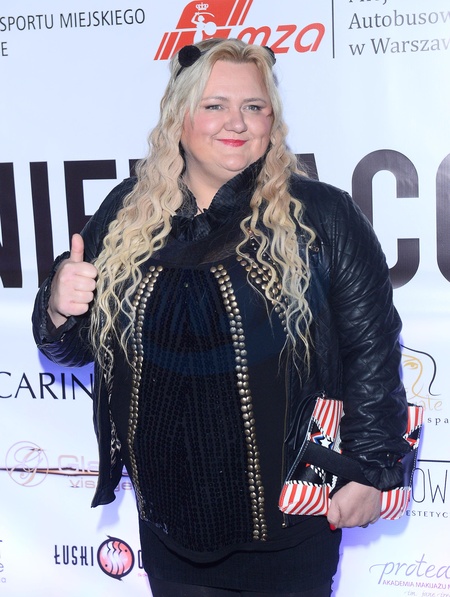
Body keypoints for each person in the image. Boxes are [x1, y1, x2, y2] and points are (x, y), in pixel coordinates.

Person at [33, 38, 411, 596]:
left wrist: (370, 468)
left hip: (289, 531)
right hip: (168, 529)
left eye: (254, 107)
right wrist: (59, 308)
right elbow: (71, 349)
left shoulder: (323, 216)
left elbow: (372, 350)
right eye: (215, 106)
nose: (237, 122)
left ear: (271, 121)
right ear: (179, 117)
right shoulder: (127, 213)